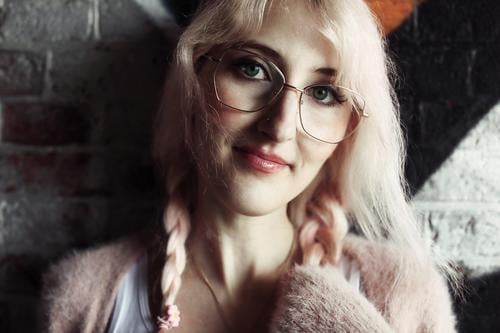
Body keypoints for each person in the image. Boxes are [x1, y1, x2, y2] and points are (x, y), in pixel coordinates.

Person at [41, 0, 459, 332]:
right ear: (197, 77)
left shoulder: (404, 299)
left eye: (324, 93)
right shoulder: (85, 300)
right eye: (253, 68)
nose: (279, 127)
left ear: (348, 130)